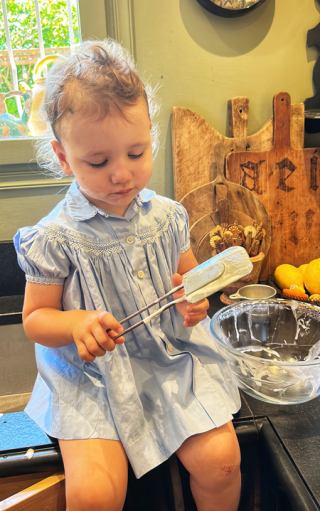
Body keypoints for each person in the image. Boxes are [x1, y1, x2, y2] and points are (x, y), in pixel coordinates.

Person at [14, 40, 241, 511]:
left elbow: (189, 283)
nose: (122, 174)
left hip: (166, 359)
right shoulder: (54, 238)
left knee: (222, 460)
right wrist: (76, 324)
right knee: (96, 494)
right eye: (98, 162)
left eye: (136, 153)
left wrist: (193, 302)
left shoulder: (170, 217)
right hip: (90, 380)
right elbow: (36, 318)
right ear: (63, 157)